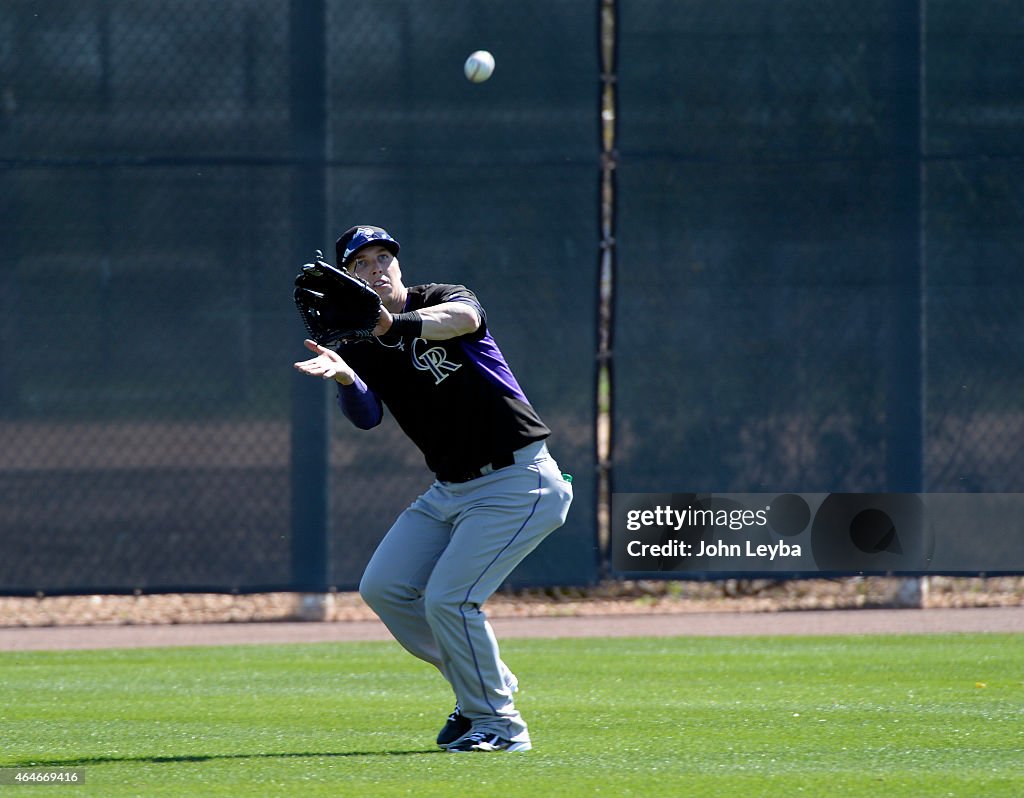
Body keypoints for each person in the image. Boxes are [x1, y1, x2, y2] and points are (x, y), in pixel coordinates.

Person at [293, 225, 573, 753]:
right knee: (385, 587)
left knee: (450, 599)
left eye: (385, 258)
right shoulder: (360, 346)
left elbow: (464, 319)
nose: (378, 269)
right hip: (450, 491)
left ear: (399, 265)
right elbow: (368, 417)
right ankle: (484, 688)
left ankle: (502, 727)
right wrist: (347, 379)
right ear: (348, 278)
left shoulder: (440, 299)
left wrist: (393, 323)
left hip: (518, 479)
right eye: (362, 263)